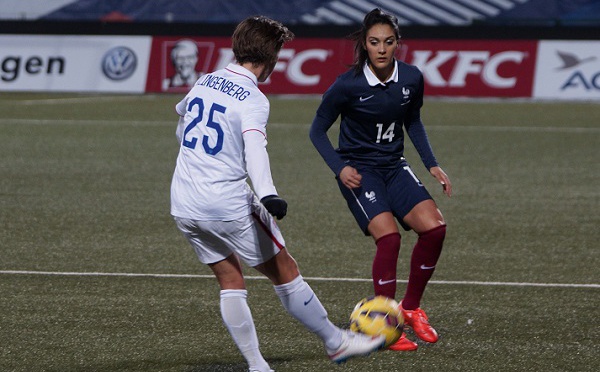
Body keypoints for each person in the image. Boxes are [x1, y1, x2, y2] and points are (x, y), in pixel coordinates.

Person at [170, 16, 385, 372]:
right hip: (225, 204)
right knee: (286, 271)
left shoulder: (205, 80)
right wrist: (268, 194)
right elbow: (255, 147)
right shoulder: (254, 98)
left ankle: (257, 364)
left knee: (229, 278)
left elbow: (182, 126)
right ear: (270, 58)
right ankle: (336, 342)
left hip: (184, 202)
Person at [309, 8, 452, 352]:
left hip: (394, 165)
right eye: (374, 42)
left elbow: (412, 121)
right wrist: (339, 168)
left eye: (389, 42)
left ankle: (411, 308)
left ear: (398, 44)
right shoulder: (348, 85)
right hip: (360, 172)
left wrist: (432, 164)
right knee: (388, 239)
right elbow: (316, 131)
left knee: (435, 229)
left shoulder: (412, 78)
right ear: (364, 44)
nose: (382, 49)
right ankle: (383, 328)